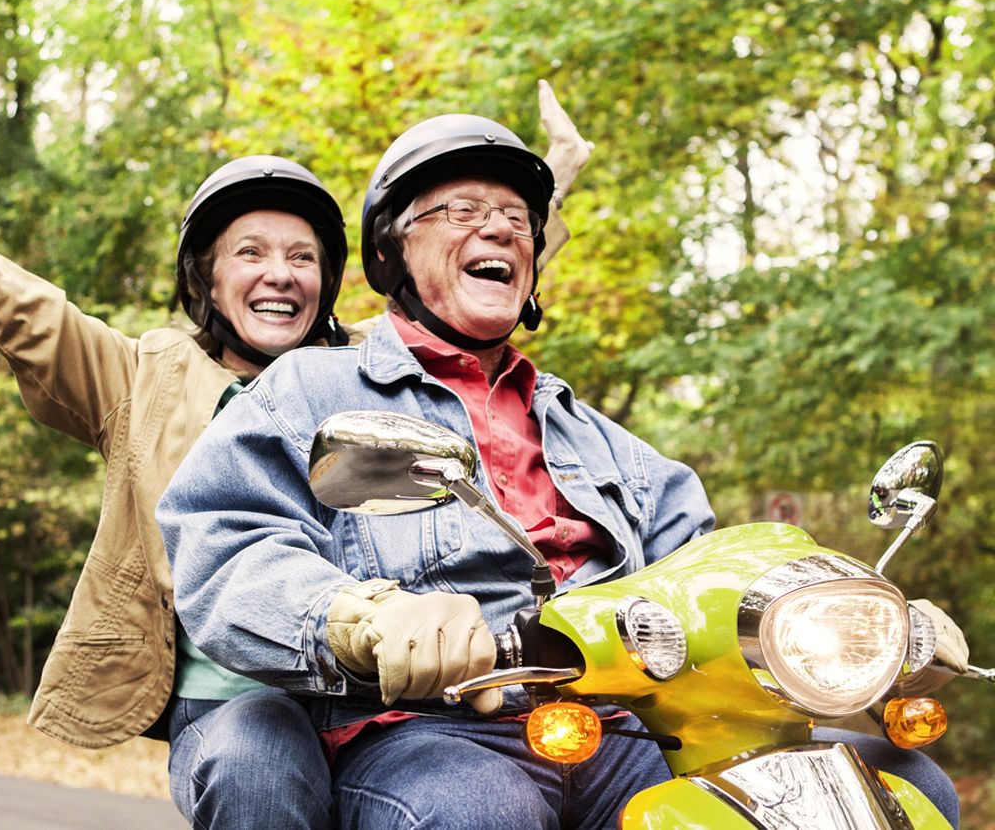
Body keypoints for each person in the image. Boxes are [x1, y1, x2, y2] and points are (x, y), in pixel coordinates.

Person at [0, 38, 595, 829]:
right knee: (258, 764)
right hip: (234, 697)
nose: (279, 274)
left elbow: (467, 290)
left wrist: (544, 189)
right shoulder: (139, 380)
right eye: (250, 253)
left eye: (302, 257)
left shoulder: (379, 380)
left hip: (381, 696)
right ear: (207, 279)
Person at [156, 113, 966, 827]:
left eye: (516, 220)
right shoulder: (310, 388)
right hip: (432, 727)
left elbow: (715, 570)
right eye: (464, 212)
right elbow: (227, 543)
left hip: (628, 729)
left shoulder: (611, 444)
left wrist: (857, 620)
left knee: (897, 786)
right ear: (393, 251)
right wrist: (354, 616)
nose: (501, 230)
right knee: (478, 812)